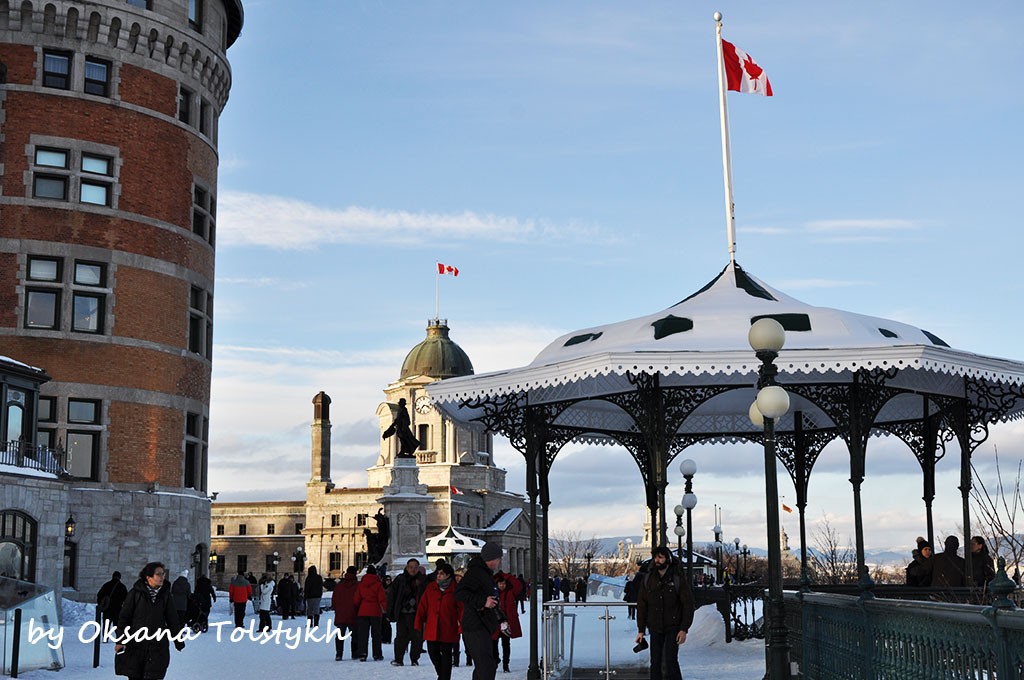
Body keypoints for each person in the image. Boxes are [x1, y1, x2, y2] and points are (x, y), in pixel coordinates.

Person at [114, 562, 185, 680]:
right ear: (148, 577)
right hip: (136, 644)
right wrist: (121, 640)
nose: (162, 577)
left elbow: (172, 620)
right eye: (158, 574)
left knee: (153, 675)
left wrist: (178, 640)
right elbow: (124, 618)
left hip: (157, 646)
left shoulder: (166, 595)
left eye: (163, 574)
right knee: (135, 675)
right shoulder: (135, 593)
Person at [635, 546, 696, 680]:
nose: (657, 560)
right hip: (655, 626)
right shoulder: (649, 579)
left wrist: (684, 629)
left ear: (667, 559)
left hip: (673, 625)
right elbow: (642, 605)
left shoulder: (677, 578)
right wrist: (641, 629)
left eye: (660, 557)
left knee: (670, 660)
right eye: (655, 557)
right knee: (655, 661)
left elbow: (688, 604)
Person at [456, 541, 504, 680]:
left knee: (486, 665)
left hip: (482, 624)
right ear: (492, 558)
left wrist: (501, 619)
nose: (500, 561)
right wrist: (483, 601)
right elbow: (460, 593)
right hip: (475, 625)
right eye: (499, 558)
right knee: (486, 665)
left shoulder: (485, 573)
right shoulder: (476, 573)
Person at [415, 562, 463, 680]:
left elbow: (461, 609)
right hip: (432, 627)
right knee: (433, 653)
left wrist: (461, 626)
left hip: (448, 627)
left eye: (441, 574)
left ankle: (444, 678)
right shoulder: (431, 587)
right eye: (438, 573)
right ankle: (442, 676)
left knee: (446, 655)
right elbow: (423, 606)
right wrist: (418, 621)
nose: (438, 576)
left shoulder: (455, 589)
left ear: (448, 575)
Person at [388, 557, 426, 666]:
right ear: (407, 567)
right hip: (402, 613)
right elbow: (392, 596)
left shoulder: (422, 580)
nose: (413, 570)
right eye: (410, 567)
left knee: (417, 637)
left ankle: (414, 659)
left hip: (416, 613)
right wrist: (390, 611)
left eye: (415, 567)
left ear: (418, 568)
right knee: (401, 637)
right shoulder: (400, 579)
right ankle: (398, 659)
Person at [353, 564, 387, 662]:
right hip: (375, 611)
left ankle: (362, 653)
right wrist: (385, 609)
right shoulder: (378, 584)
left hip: (363, 611)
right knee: (376, 634)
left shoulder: (361, 584)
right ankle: (377, 654)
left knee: (363, 634)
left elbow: (356, 599)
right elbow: (382, 598)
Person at [491, 571, 523, 674]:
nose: (502, 585)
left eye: (504, 583)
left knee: (506, 644)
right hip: (495, 622)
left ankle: (506, 665)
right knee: (493, 644)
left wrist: (507, 576)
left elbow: (518, 586)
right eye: (500, 583)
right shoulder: (493, 593)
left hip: (506, 623)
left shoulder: (510, 592)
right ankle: (495, 661)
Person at [332, 566, 359, 660]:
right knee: (355, 634)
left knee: (340, 635)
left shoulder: (339, 585)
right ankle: (355, 653)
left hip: (341, 614)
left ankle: (339, 653)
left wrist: (337, 609)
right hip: (353, 613)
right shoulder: (357, 585)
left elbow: (334, 599)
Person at [97, 571, 128, 639]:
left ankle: (105, 638)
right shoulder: (122, 586)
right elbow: (126, 598)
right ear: (119, 577)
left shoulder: (106, 585)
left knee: (106, 624)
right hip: (117, 609)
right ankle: (119, 638)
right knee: (117, 624)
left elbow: (99, 595)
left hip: (107, 609)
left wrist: (101, 605)